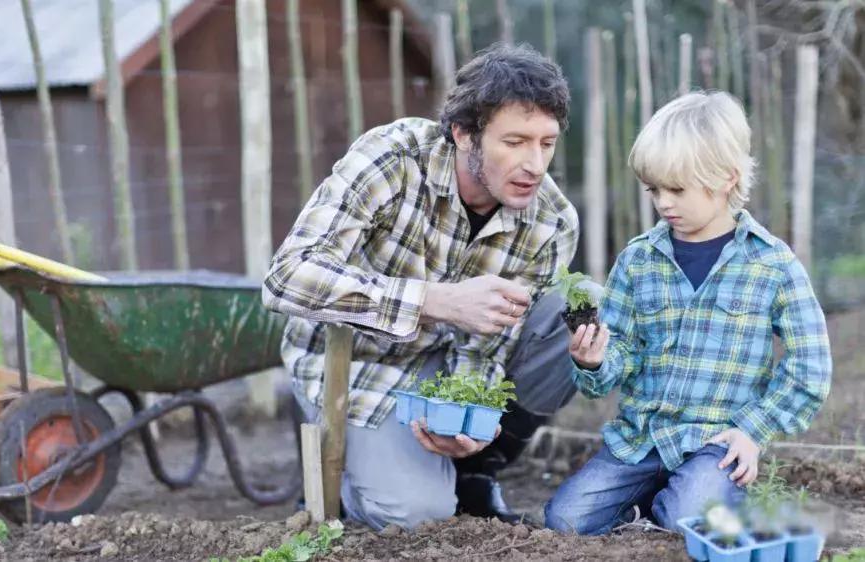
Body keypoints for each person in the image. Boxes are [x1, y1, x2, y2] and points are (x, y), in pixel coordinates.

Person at [263, 44, 580, 530]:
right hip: (356, 363)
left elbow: (491, 346)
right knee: (417, 516)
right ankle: (347, 471)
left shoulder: (552, 223)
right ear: (462, 134)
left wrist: (469, 417)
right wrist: (434, 300)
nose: (535, 164)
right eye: (514, 142)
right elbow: (287, 278)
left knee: (571, 316)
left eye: (546, 143)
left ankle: (473, 469)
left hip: (442, 365)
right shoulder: (393, 160)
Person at [544, 91, 832, 535]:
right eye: (654, 189)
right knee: (565, 519)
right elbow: (620, 353)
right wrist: (595, 360)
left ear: (727, 179)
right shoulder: (639, 260)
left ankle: (697, 494)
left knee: (690, 516)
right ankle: (659, 496)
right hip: (641, 440)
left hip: (718, 443)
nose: (663, 202)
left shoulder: (772, 264)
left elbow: (810, 365)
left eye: (676, 189)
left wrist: (751, 431)